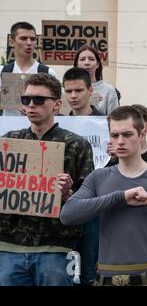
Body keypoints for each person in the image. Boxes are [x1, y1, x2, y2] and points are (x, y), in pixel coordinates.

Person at [60, 106, 147, 286]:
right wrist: (120, 197)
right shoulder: (99, 177)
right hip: (105, 278)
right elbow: (68, 215)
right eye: (114, 135)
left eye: (127, 134)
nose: (120, 141)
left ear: (142, 134)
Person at [0, 73, 94, 286]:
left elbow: (89, 201)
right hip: (8, 247)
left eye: (39, 100)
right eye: (26, 100)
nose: (31, 105)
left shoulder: (77, 145)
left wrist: (68, 194)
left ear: (57, 105)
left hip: (56, 248)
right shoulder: (8, 142)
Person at [62, 67, 102, 285]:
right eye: (68, 91)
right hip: (66, 207)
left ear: (90, 90)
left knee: (90, 272)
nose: (73, 96)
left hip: (94, 208)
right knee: (66, 272)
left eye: (78, 90)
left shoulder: (108, 123)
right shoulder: (58, 123)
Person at [1, 22, 57, 116]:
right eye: (23, 38)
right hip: (9, 126)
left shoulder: (47, 72)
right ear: (12, 42)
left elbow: (56, 104)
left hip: (39, 126)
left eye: (33, 39)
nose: (29, 43)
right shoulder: (3, 71)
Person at [74, 45, 119, 115]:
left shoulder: (108, 90)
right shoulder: (68, 90)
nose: (87, 63)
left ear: (98, 64)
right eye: (82, 59)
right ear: (77, 64)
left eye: (91, 59)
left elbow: (115, 120)